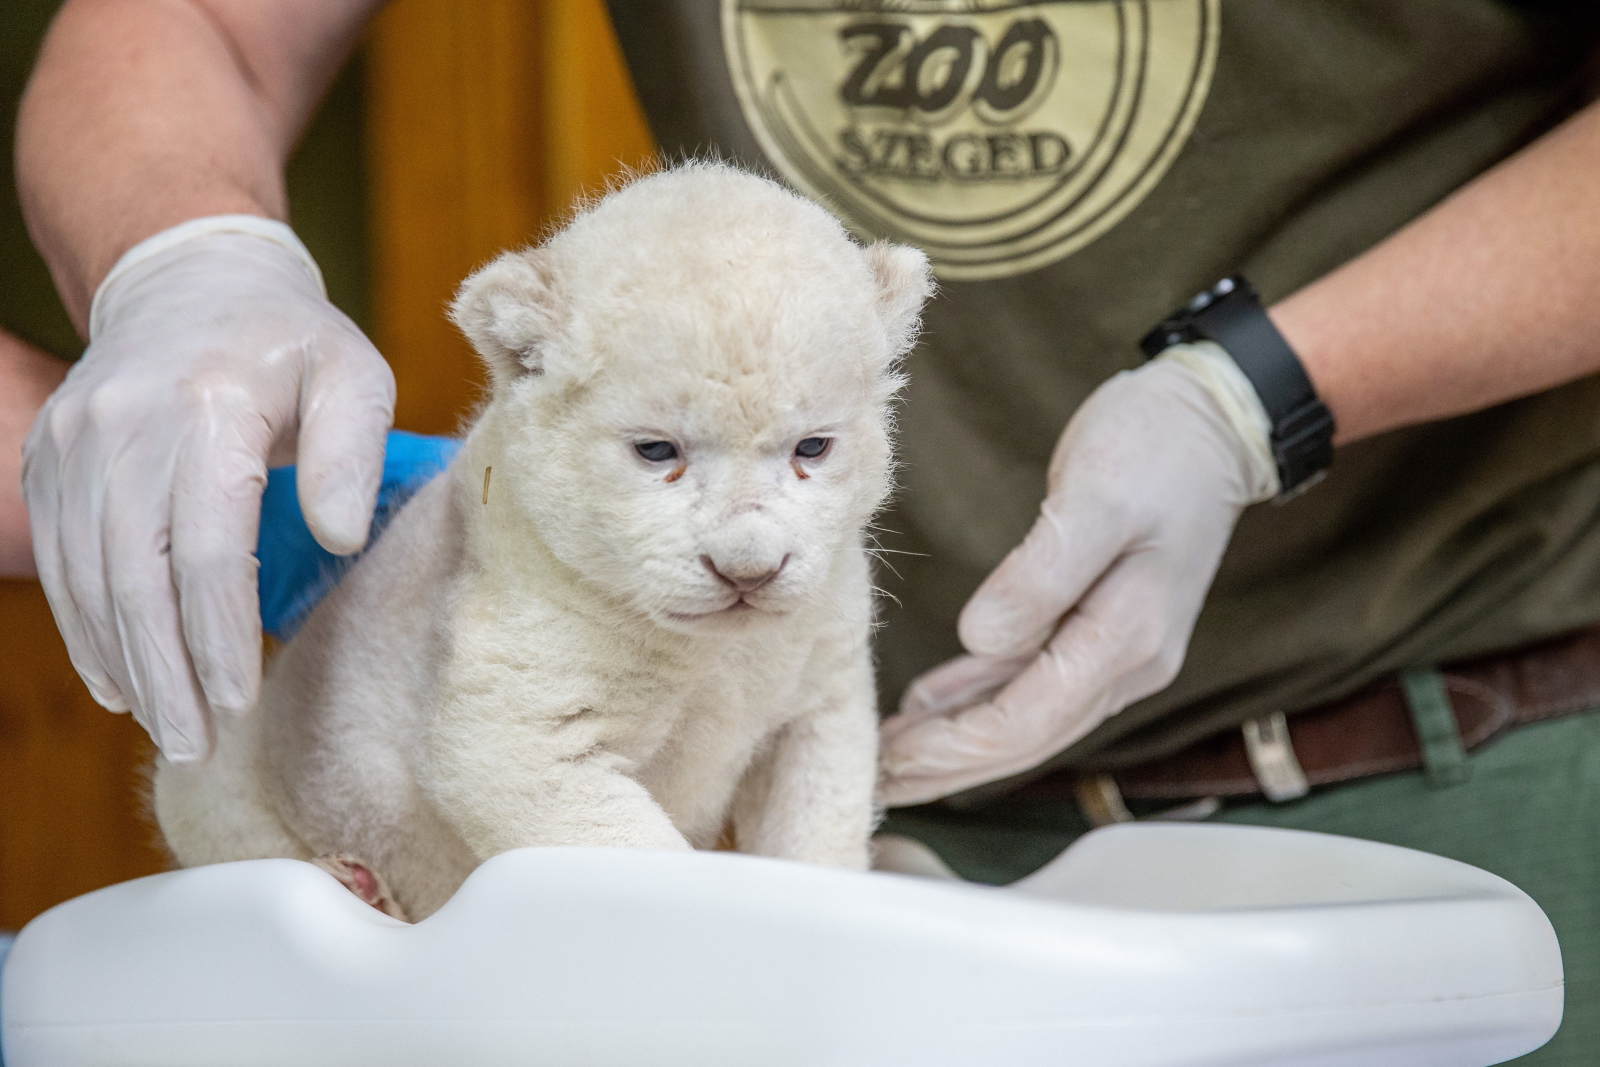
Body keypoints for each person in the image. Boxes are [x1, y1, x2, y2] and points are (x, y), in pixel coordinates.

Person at [13, 0, 1600, 1059]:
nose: (756, 544)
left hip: (1464, 747)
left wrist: (1257, 399)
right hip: (878, 858)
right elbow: (200, 19)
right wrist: (188, 256)